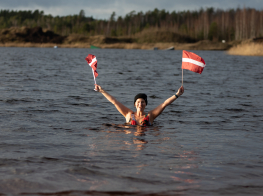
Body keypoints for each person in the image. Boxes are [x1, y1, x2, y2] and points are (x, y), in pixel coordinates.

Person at [94, 84, 184, 126]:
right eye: (138, 102)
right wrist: (102, 91)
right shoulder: (128, 114)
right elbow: (115, 102)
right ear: (135, 105)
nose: (140, 104)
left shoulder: (150, 116)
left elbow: (164, 104)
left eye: (142, 102)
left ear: (146, 104)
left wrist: (177, 94)